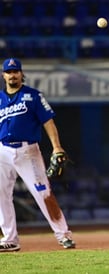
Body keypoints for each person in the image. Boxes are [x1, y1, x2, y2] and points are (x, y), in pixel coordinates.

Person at [0, 58, 75, 252]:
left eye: (16, 71)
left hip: (28, 151)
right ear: (4, 75)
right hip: (3, 151)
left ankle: (64, 235)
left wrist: (57, 147)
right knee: (1, 195)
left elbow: (48, 122)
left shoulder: (33, 96)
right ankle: (10, 238)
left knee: (43, 193)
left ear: (21, 73)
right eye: (9, 72)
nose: (13, 75)